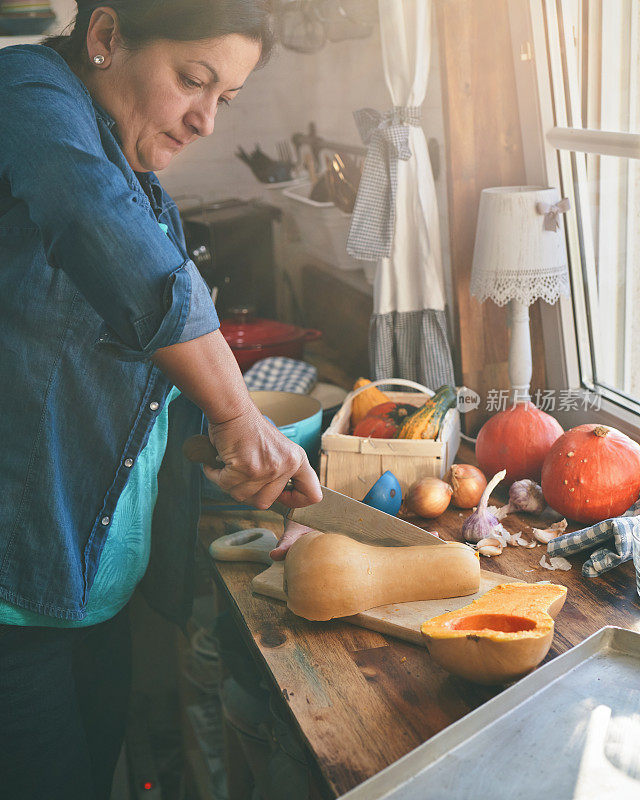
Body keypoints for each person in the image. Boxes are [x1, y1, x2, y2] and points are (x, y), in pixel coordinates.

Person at [0, 2, 322, 798]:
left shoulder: (132, 166)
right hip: (14, 594)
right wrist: (238, 414)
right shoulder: (24, 92)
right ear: (106, 37)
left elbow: (116, 380)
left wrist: (217, 445)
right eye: (193, 81)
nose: (207, 120)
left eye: (227, 100)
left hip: (87, 595)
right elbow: (97, 226)